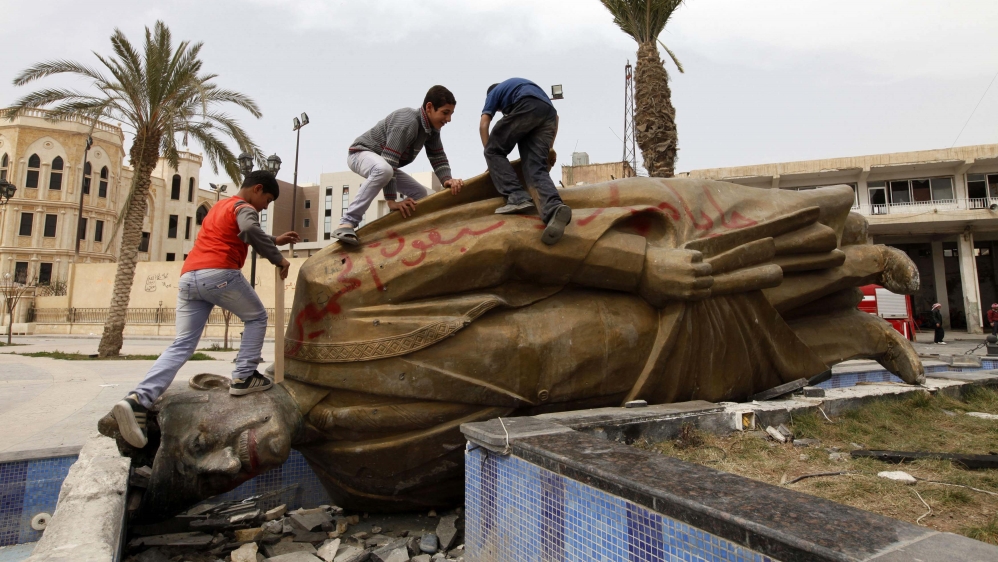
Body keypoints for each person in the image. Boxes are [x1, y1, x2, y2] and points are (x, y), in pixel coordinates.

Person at [112, 170, 300, 448]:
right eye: (268, 200)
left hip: (190, 278)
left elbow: (237, 230)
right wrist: (278, 259)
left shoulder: (221, 207)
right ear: (257, 189)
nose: (265, 206)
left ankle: (138, 399)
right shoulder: (245, 207)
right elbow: (248, 229)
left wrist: (274, 239)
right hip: (219, 273)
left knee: (182, 344)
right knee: (257, 316)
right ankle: (245, 376)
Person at [334, 85, 465, 246]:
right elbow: (390, 162)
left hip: (385, 164)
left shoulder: (431, 130)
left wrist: (447, 180)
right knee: (384, 169)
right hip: (360, 154)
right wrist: (391, 202)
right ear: (429, 107)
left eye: (451, 114)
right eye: (445, 113)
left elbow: (437, 156)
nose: (448, 119)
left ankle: (410, 235)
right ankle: (346, 223)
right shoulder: (407, 121)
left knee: (420, 193)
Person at [479, 77, 571, 245]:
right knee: (535, 168)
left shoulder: (494, 93)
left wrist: (491, 156)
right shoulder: (519, 86)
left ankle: (517, 196)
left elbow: (484, 125)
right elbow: (555, 118)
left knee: (493, 149)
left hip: (527, 105)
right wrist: (549, 147)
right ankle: (554, 209)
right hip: (548, 111)